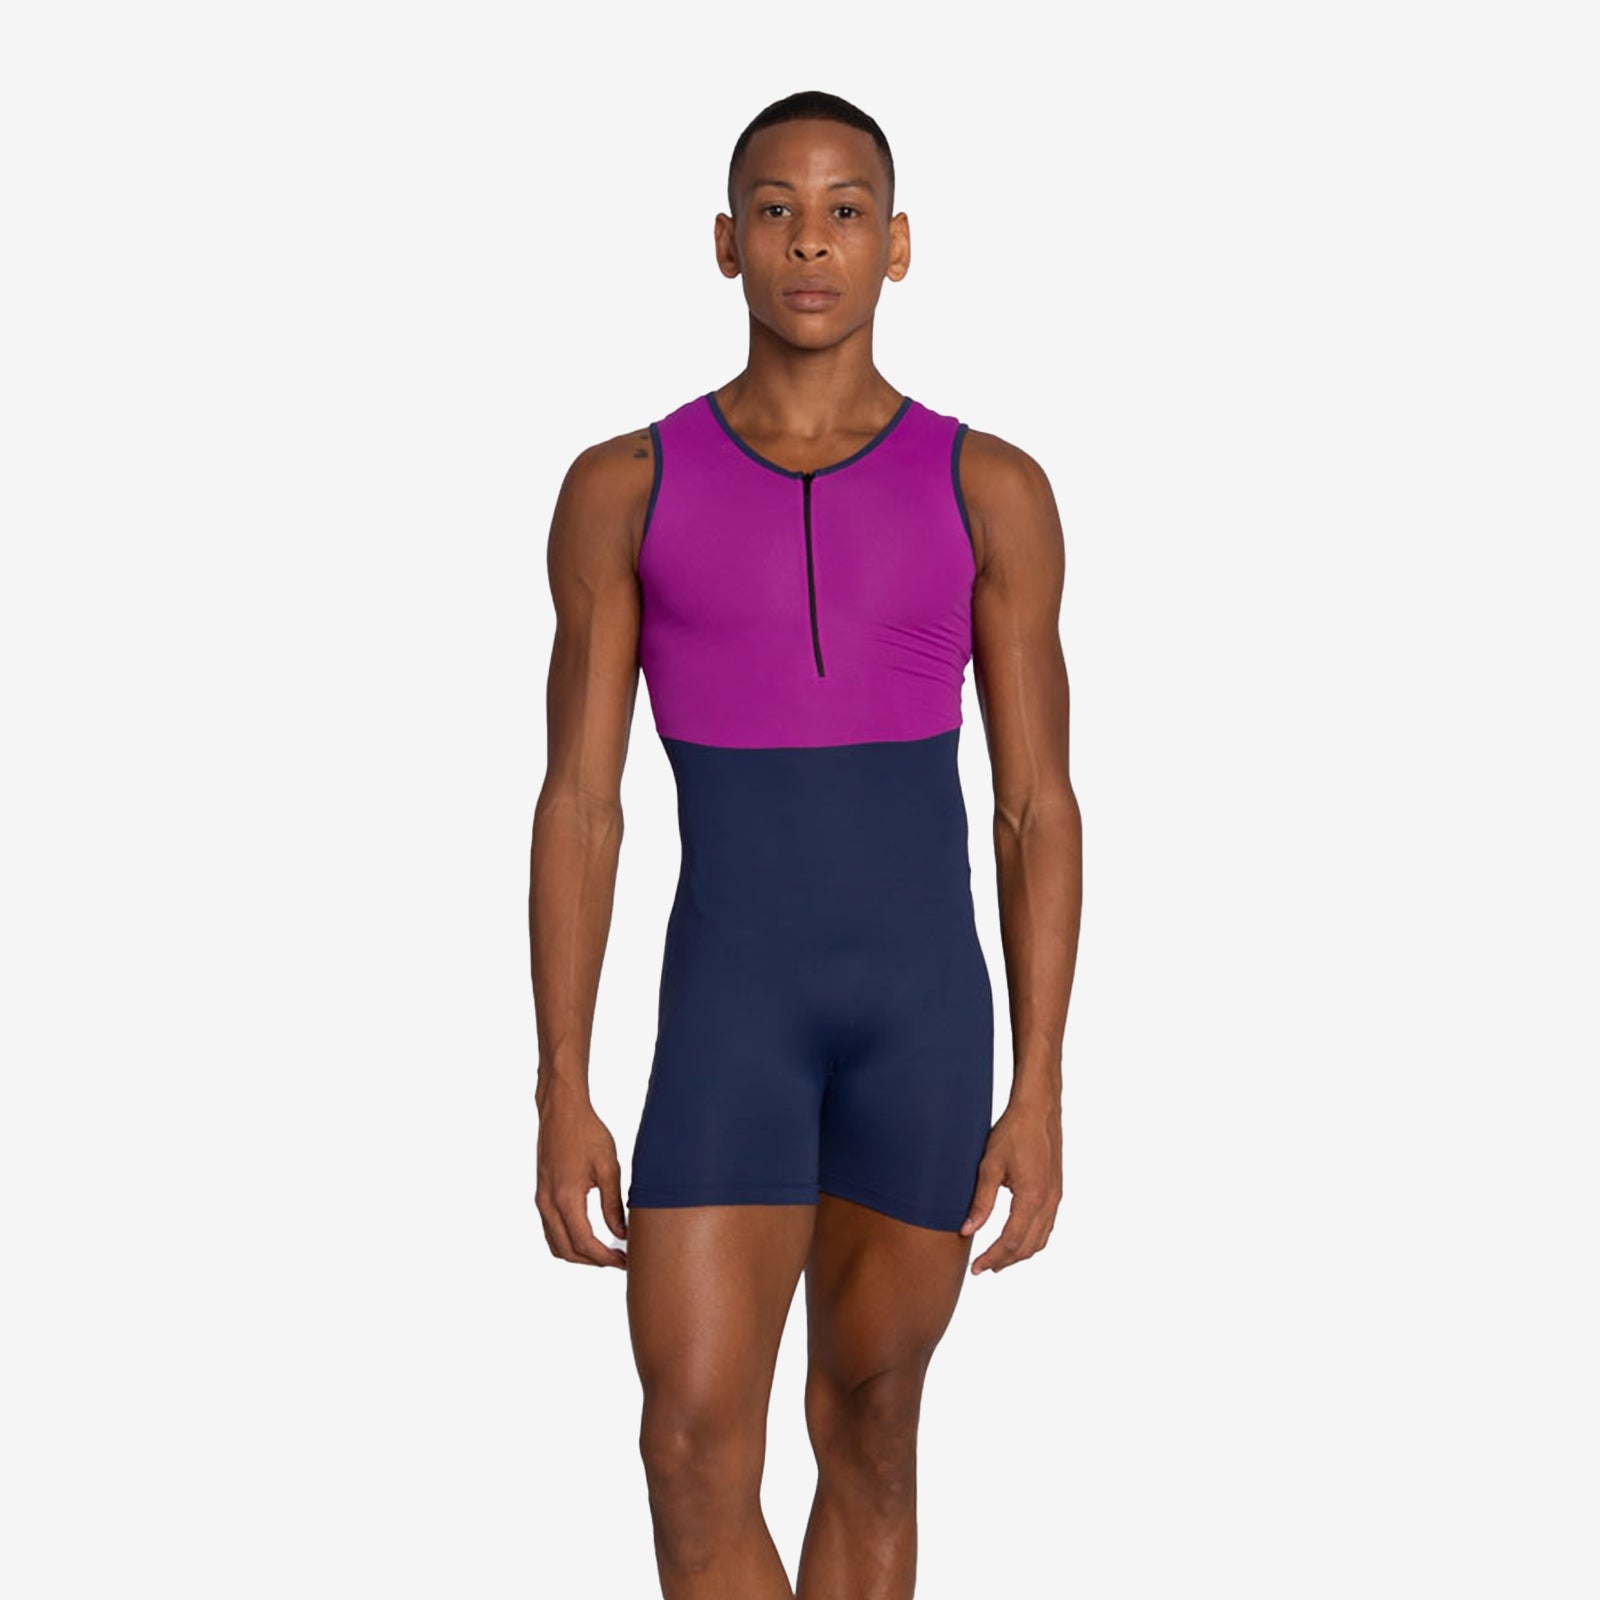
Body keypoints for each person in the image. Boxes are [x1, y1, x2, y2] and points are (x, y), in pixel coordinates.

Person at [529, 89, 1082, 1600]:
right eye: (775, 211)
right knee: (690, 1450)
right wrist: (561, 1078)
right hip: (732, 1022)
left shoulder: (991, 488)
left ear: (897, 246)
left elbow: (1036, 805)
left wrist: (1040, 1085)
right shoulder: (624, 487)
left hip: (922, 1023)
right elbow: (580, 801)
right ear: (727, 243)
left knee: (873, 1430)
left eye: (845, 212)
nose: (810, 243)